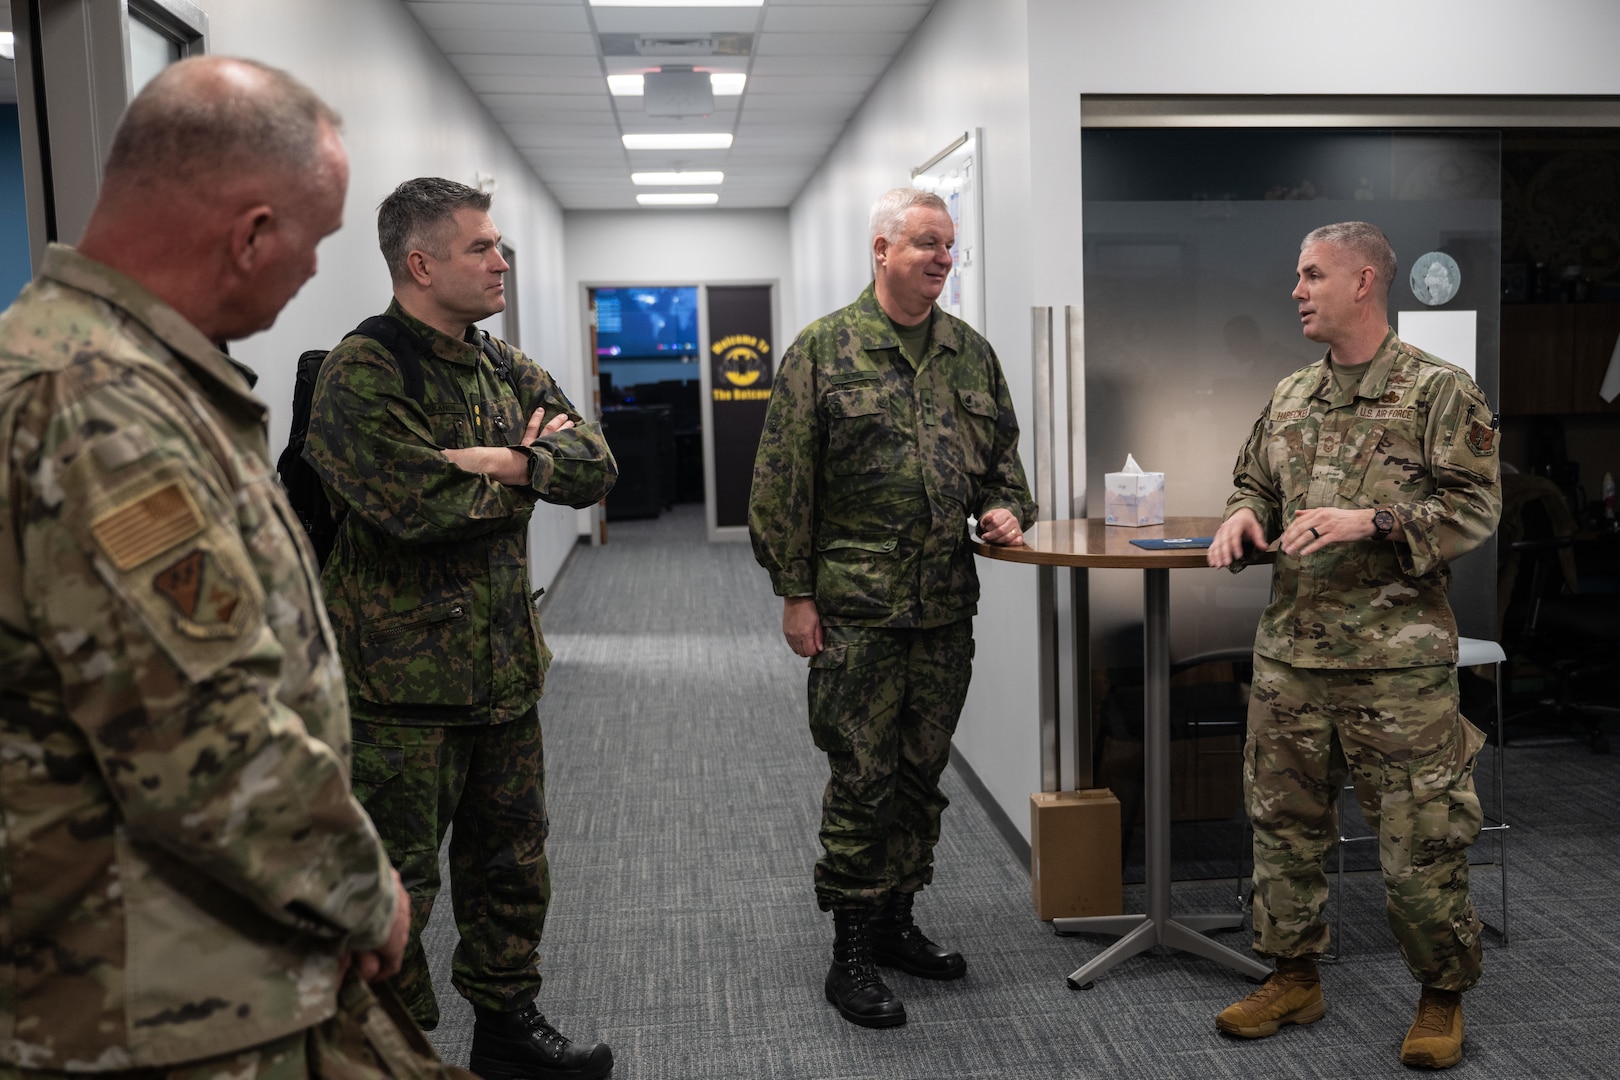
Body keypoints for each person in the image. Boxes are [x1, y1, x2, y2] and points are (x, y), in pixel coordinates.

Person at [0, 57, 410, 1076]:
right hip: (145, 1003)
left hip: (193, 965)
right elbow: (208, 743)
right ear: (252, 234)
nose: (317, 270)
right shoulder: (95, 407)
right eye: (315, 242)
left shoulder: (129, 379)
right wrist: (364, 889)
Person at [303, 178, 617, 1080]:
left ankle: (509, 1028)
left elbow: (593, 464)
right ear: (420, 262)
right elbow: (416, 505)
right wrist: (527, 473)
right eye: (482, 247)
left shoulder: (498, 363)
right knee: (396, 886)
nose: (501, 261)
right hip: (400, 693)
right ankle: (393, 1057)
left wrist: (506, 460)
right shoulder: (361, 372)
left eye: (501, 246)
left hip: (503, 673)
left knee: (511, 863)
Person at [1207, 222, 1502, 1070]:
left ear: (1364, 281)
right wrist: (1241, 516)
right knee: (1283, 828)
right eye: (1297, 275)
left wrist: (1371, 520)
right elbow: (1251, 479)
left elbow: (1475, 508)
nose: (1296, 290)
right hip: (1292, 656)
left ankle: (1442, 995)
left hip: (1395, 666)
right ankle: (1293, 974)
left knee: (1420, 838)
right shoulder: (1293, 392)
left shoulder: (1437, 390)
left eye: (1312, 275)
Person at [748, 187, 1035, 1029]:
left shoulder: (970, 356)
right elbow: (780, 486)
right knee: (862, 780)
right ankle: (852, 951)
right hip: (856, 613)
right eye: (925, 243)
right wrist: (795, 594)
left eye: (949, 245)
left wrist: (1007, 509)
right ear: (881, 250)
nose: (942, 257)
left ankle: (900, 920)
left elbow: (1005, 468)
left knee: (921, 777)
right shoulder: (823, 351)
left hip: (945, 610)